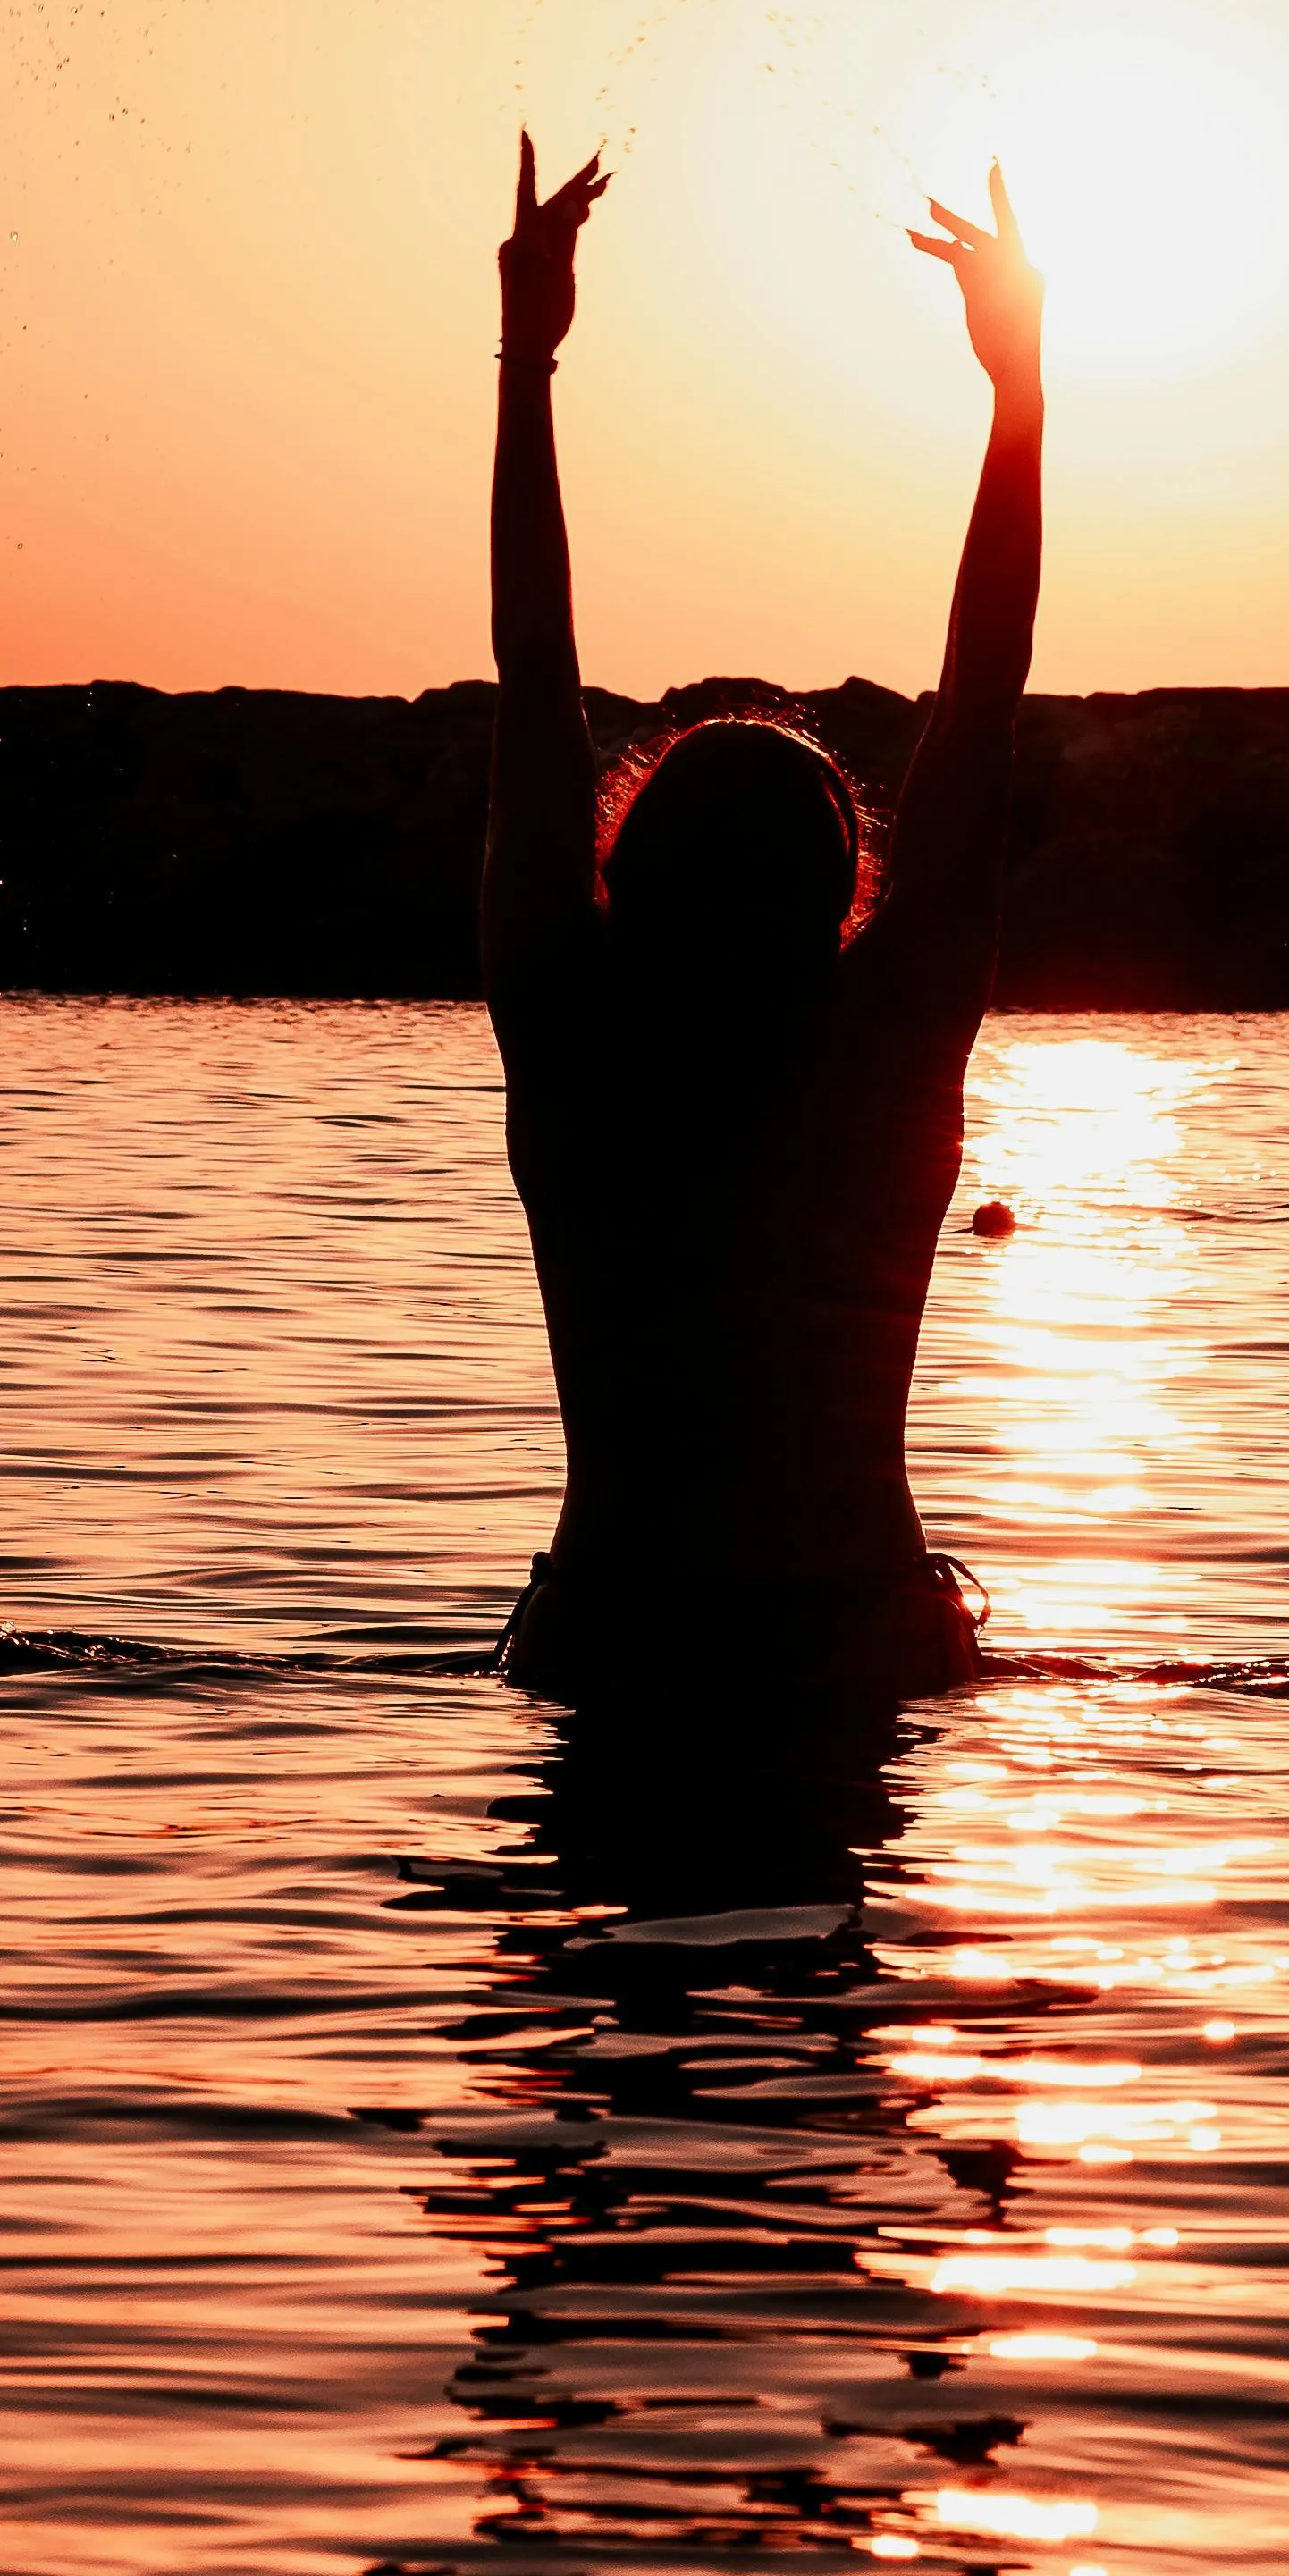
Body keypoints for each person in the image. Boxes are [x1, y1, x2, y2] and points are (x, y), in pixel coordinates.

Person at [484, 129, 1046, 1712]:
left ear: (622, 876)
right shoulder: (893, 1038)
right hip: (857, 1633)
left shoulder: (571, 1025)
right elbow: (982, 699)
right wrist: (1018, 390)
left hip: (616, 1629)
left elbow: (535, 675)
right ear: (845, 888)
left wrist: (528, 361)